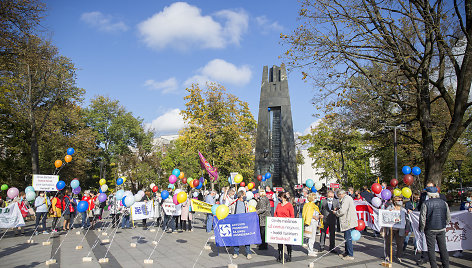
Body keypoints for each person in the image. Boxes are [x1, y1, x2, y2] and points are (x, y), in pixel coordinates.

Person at [419, 186, 450, 268]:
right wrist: (444, 224)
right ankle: (446, 265)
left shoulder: (426, 203)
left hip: (430, 228)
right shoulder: (444, 203)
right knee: (443, 248)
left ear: (429, 194)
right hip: (441, 228)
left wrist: (422, 228)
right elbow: (448, 216)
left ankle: (434, 266)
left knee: (431, 249)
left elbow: (423, 217)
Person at [382, 196, 407, 263]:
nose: (400, 201)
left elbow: (407, 221)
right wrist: (388, 212)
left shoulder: (403, 210)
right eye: (399, 200)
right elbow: (384, 216)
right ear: (395, 201)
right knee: (388, 243)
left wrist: (407, 230)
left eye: (401, 200)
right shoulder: (390, 208)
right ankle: (388, 255)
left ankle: (398, 256)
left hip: (400, 229)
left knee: (400, 244)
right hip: (391, 229)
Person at [335, 189, 358, 260]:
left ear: (341, 194)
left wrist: (336, 212)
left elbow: (343, 211)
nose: (338, 197)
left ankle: (350, 255)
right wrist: (339, 208)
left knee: (348, 238)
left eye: (338, 196)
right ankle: (346, 252)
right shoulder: (347, 198)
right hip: (348, 220)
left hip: (348, 221)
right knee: (346, 237)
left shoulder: (346, 199)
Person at [232, 191, 253, 259]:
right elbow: (229, 210)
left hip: (245, 222)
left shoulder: (246, 202)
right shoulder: (234, 202)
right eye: (244, 195)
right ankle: (236, 252)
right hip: (236, 221)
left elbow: (248, 211)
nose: (245, 196)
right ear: (241, 196)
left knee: (246, 238)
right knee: (236, 238)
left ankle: (248, 253)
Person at [275, 192, 295, 262]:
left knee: (287, 241)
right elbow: (275, 214)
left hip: (287, 225)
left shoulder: (289, 205)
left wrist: (290, 223)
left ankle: (289, 255)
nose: (279, 199)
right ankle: (280, 254)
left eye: (279, 198)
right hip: (279, 225)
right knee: (279, 241)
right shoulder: (279, 205)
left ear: (282, 198)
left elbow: (292, 215)